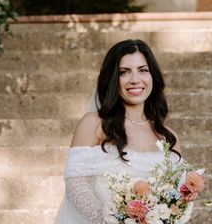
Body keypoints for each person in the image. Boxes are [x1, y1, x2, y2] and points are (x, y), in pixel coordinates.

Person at [54, 39, 181, 224]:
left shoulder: (169, 137)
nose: (135, 79)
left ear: (152, 75)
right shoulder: (94, 124)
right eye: (124, 72)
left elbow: (175, 199)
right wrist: (111, 222)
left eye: (143, 70)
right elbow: (77, 186)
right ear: (113, 79)